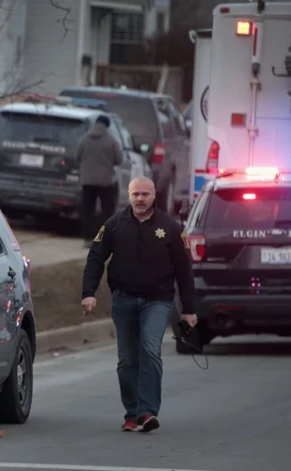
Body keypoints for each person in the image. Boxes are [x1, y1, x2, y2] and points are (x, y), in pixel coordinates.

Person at [80, 176, 197, 433]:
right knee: (127, 360)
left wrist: (189, 309)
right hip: (123, 299)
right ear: (129, 196)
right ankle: (132, 413)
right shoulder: (114, 225)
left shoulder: (170, 227)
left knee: (150, 349)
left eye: (145, 194)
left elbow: (184, 270)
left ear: (154, 195)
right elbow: (95, 258)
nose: (140, 199)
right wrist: (88, 293)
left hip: (157, 300)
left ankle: (147, 411)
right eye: (136, 194)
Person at [76, 114, 124, 248]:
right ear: (107, 126)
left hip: (87, 181)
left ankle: (87, 238)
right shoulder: (112, 140)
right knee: (107, 211)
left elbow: (78, 156)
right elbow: (119, 159)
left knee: (88, 210)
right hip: (106, 182)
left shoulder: (84, 139)